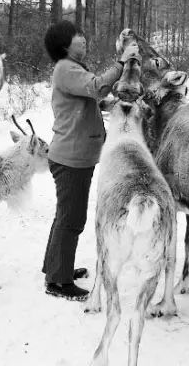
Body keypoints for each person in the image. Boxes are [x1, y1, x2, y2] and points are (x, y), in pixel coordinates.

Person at [42, 20, 139, 301]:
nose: (83, 40)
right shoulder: (65, 69)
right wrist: (122, 63)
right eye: (76, 37)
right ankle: (58, 282)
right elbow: (96, 88)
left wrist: (108, 105)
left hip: (75, 155)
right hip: (71, 158)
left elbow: (88, 98)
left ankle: (56, 267)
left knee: (65, 214)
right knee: (72, 218)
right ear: (64, 45)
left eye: (82, 35)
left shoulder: (71, 69)